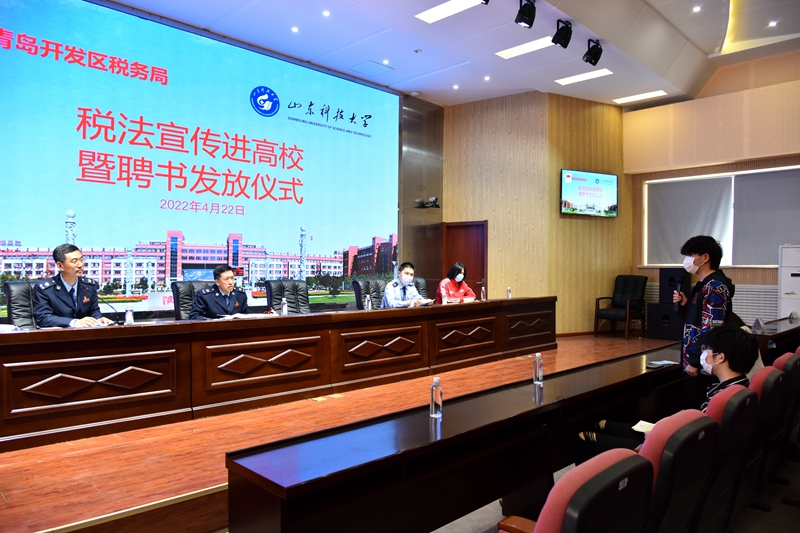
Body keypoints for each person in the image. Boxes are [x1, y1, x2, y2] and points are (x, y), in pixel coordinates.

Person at [573, 324, 758, 465]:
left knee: (583, 438)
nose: (704, 355)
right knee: (601, 424)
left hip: (666, 452)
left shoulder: (721, 400)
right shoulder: (741, 387)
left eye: (707, 350)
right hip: (673, 440)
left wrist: (658, 435)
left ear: (720, 357)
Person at [672, 235, 736, 409]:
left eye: (690, 255)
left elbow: (712, 329)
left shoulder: (715, 287)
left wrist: (694, 361)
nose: (687, 260)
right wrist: (685, 306)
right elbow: (696, 321)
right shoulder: (703, 285)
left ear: (705, 257)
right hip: (697, 362)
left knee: (699, 412)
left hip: (704, 365)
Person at [32, 244, 114, 328]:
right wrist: (74, 322)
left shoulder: (89, 286)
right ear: (60, 265)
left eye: (81, 260)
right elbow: (43, 318)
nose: (80, 265)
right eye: (74, 261)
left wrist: (99, 319)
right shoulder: (45, 289)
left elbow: (94, 311)